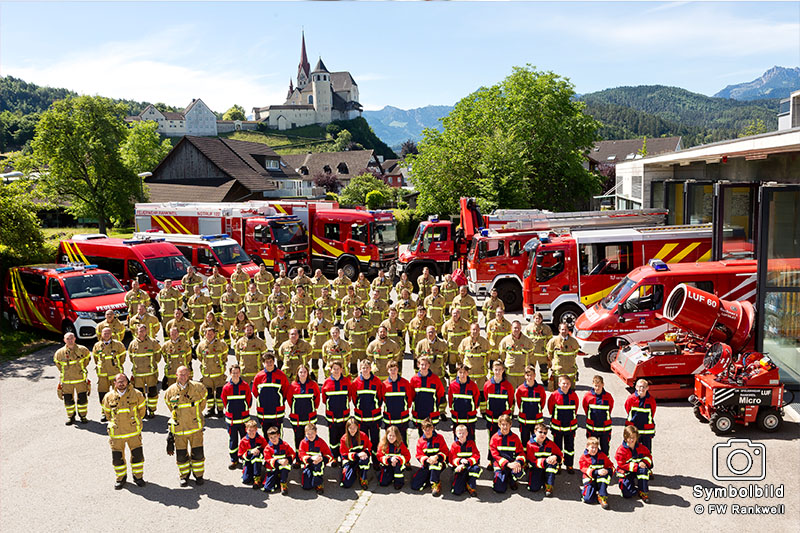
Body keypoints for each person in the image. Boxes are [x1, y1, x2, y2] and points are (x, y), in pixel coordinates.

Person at [164, 365, 208, 486]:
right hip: (179, 430)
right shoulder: (170, 391)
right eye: (180, 374)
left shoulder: (198, 388)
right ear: (176, 375)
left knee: (198, 454)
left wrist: (195, 414)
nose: (183, 377)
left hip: (195, 428)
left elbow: (202, 404)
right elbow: (170, 408)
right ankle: (184, 476)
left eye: (185, 374)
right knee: (181, 456)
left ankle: (199, 476)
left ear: (189, 375)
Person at [102, 373, 147, 489]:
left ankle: (138, 477)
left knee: (137, 456)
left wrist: (134, 422)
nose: (121, 384)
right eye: (118, 381)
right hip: (116, 434)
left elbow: (142, 411)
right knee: (118, 458)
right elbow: (107, 414)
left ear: (127, 382)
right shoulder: (108, 397)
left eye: (123, 381)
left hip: (133, 432)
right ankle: (121, 478)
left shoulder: (137, 394)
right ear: (115, 383)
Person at [349, 358, 385, 464]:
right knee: (363, 441)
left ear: (370, 369)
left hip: (375, 418)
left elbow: (380, 397)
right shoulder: (356, 383)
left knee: (375, 440)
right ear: (360, 369)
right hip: (361, 418)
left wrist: (375, 407)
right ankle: (364, 460)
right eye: (363, 368)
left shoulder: (377, 381)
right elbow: (354, 399)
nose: (365, 370)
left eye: (367, 368)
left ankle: (375, 460)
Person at [221, 364, 253, 468]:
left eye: (237, 372)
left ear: (240, 373)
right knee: (233, 440)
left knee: (245, 440)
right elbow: (224, 401)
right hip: (232, 420)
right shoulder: (226, 387)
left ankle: (245, 458)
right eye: (233, 373)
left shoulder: (245, 385)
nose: (235, 374)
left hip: (244, 419)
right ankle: (234, 460)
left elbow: (249, 400)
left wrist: (244, 409)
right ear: (230, 373)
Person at [92, 327, 127, 421]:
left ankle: (118, 411)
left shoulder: (118, 344)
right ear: (101, 334)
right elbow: (95, 358)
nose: (106, 335)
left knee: (117, 394)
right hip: (103, 375)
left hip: (115, 374)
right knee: (103, 394)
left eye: (108, 333)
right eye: (104, 333)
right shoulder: (97, 346)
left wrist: (117, 366)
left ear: (111, 334)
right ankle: (104, 412)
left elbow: (123, 356)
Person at [128, 324, 162, 419]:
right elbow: (131, 358)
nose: (141, 332)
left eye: (143, 330)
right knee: (139, 395)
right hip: (138, 374)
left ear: (146, 331)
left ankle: (152, 410)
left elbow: (158, 356)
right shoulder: (133, 344)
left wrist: (153, 365)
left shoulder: (153, 342)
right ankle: (142, 412)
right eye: (140, 331)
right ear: (137, 332)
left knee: (152, 393)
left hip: (150, 373)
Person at [547, 374, 579, 473]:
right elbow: (550, 408)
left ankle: (569, 465)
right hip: (557, 428)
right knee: (557, 448)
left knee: (570, 448)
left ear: (570, 385)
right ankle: (558, 465)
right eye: (563, 383)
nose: (565, 385)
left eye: (567, 383)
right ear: (559, 383)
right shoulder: (554, 395)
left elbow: (576, 408)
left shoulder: (574, 395)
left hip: (570, 428)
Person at [251, 352, 290, 433]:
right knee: (265, 436)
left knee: (278, 437)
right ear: (263, 363)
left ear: (274, 361)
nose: (269, 364)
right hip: (263, 412)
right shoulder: (259, 376)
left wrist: (279, 401)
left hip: (277, 413)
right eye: (267, 362)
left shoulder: (281, 375)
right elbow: (255, 392)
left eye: (271, 361)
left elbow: (286, 391)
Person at [321, 359, 352, 460]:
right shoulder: (326, 383)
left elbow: (350, 397)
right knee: (333, 438)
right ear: (330, 370)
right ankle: (334, 457)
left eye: (338, 369)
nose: (336, 371)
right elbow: (324, 400)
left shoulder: (346, 381)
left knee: (344, 437)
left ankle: (344, 457)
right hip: (332, 417)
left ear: (342, 369)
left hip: (344, 416)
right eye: (334, 369)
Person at [411, 418, 449, 496]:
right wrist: (427, 460)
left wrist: (437, 457)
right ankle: (430, 477)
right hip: (427, 463)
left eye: (429, 429)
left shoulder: (439, 438)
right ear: (422, 429)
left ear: (433, 428)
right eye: (425, 430)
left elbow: (445, 451)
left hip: (439, 462)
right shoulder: (421, 441)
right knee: (415, 486)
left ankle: (436, 484)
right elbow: (419, 455)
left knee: (435, 466)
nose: (427, 432)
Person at [615, 425, 653, 503]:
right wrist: (637, 465)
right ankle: (632, 486)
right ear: (625, 437)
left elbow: (649, 456)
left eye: (634, 437)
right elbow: (622, 464)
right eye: (630, 437)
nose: (632, 440)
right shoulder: (621, 451)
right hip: (627, 472)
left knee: (643, 470)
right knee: (627, 494)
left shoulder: (642, 448)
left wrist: (644, 462)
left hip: (638, 471)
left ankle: (643, 491)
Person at [488, 414, 525, 493]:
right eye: (503, 425)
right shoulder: (494, 438)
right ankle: (503, 477)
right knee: (499, 489)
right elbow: (495, 455)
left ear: (510, 424)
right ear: (499, 425)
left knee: (519, 472)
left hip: (513, 464)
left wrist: (518, 462)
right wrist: (507, 464)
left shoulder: (515, 438)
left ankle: (512, 478)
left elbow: (521, 452)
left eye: (507, 425)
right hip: (500, 465)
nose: (505, 427)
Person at [409, 356, 446, 435]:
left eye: (426, 364)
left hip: (431, 413)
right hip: (419, 412)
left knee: (432, 436)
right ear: (418, 365)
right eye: (422, 364)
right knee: (421, 437)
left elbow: (441, 395)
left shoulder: (435, 379)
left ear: (429, 365)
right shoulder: (414, 379)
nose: (424, 366)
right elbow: (411, 396)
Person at [288, 365, 321, 450]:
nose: (303, 374)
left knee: (311, 438)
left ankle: (310, 458)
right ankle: (299, 459)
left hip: (310, 418)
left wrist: (314, 409)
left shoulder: (313, 384)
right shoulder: (293, 385)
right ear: (297, 374)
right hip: (297, 419)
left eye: (305, 372)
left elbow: (317, 399)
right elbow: (289, 400)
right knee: (298, 439)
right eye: (301, 372)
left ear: (308, 373)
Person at [196, 327, 228, 417]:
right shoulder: (201, 345)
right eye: (207, 333)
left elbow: (225, 355)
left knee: (219, 393)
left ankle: (220, 410)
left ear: (215, 334)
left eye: (211, 333)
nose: (209, 335)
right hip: (207, 374)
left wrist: (221, 364)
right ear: (205, 334)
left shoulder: (221, 344)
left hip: (219, 374)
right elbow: (199, 357)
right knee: (208, 393)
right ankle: (211, 409)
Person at [460, 323, 491, 412]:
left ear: (479, 331)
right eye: (473, 329)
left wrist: (483, 364)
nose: (475, 332)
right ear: (470, 330)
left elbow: (488, 356)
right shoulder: (464, 342)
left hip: (481, 372)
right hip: (469, 373)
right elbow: (461, 355)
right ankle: (469, 409)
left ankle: (483, 410)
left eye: (477, 330)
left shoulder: (484, 342)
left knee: (482, 392)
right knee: (469, 393)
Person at [525, 423, 562, 496]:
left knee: (552, 464)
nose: (542, 434)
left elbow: (560, 455)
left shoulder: (550, 443)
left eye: (545, 433)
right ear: (535, 431)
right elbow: (531, 460)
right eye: (540, 432)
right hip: (536, 467)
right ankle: (540, 478)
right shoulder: (530, 444)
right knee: (534, 488)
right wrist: (544, 461)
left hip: (548, 466)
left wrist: (555, 457)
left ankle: (549, 486)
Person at [297, 422, 334, 494]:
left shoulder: (321, 442)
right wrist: (311, 459)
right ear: (305, 433)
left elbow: (329, 455)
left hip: (319, 464)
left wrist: (322, 459)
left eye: (312, 433)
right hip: (308, 464)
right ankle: (310, 478)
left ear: (316, 432)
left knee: (318, 468)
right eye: (308, 434)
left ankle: (319, 484)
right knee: (306, 487)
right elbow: (301, 455)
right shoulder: (303, 442)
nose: (310, 436)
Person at [382, 360, 413, 444]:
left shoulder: (405, 383)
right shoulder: (384, 385)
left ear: (398, 370)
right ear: (387, 370)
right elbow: (383, 399)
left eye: (395, 369)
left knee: (402, 442)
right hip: (389, 418)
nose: (393, 371)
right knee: (389, 441)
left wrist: (405, 408)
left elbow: (409, 398)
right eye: (391, 369)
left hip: (402, 418)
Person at [582, 375, 615, 455]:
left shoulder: (608, 396)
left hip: (605, 429)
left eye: (599, 386)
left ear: (603, 385)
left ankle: (605, 465)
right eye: (595, 386)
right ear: (592, 384)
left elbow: (610, 408)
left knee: (605, 449)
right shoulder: (588, 396)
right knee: (592, 448)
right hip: (592, 428)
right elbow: (585, 408)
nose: (597, 388)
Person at [483, 360, 515, 440]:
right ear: (492, 370)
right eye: (496, 369)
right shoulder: (488, 385)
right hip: (492, 418)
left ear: (503, 370)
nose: (497, 372)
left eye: (500, 369)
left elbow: (510, 401)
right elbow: (486, 398)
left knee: (504, 439)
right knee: (492, 438)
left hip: (504, 418)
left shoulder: (508, 386)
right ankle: (490, 452)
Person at [579, 436, 614, 509]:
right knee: (587, 499)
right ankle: (591, 492)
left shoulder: (602, 456)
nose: (594, 450)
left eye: (596, 448)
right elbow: (583, 468)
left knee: (604, 477)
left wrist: (607, 471)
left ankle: (602, 496)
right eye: (592, 447)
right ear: (587, 447)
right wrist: (597, 472)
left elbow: (611, 466)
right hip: (590, 481)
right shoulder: (584, 457)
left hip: (600, 481)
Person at [448, 364, 480, 441]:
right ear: (457, 373)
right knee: (458, 439)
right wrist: (453, 410)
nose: (462, 375)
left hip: (470, 418)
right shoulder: (453, 385)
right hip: (457, 417)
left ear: (467, 373)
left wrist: (473, 410)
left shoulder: (473, 385)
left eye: (464, 372)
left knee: (470, 439)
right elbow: (450, 399)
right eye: (460, 372)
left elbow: (477, 399)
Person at [516, 365, 547, 445]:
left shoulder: (540, 389)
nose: (529, 377)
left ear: (535, 375)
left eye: (531, 375)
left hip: (536, 421)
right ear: (524, 376)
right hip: (524, 421)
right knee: (524, 442)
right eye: (527, 375)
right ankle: (525, 457)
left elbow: (542, 403)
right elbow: (519, 403)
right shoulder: (520, 389)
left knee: (537, 442)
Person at [499, 320, 534, 389]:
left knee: (523, 392)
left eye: (518, 328)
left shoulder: (528, 341)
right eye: (515, 328)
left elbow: (531, 356)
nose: (516, 330)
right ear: (511, 328)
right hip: (510, 373)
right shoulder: (505, 341)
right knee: (510, 393)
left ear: (521, 328)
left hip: (523, 373)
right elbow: (502, 355)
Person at [449, 424, 482, 497]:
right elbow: (451, 458)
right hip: (459, 467)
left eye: (463, 433)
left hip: (469, 466)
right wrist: (459, 461)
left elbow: (476, 455)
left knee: (476, 469)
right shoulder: (454, 445)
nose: (461, 435)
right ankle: (461, 481)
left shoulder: (471, 443)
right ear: (456, 434)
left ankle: (471, 486)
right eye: (459, 433)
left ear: (467, 433)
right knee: (457, 491)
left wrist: (468, 462)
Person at [624, 379, 656, 451]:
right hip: (633, 430)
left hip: (646, 431)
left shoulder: (651, 400)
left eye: (644, 387)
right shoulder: (631, 399)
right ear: (635, 387)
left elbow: (652, 413)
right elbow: (627, 409)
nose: (641, 389)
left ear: (647, 388)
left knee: (646, 452)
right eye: (639, 386)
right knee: (632, 451)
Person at [546, 322, 580, 391]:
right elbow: (549, 354)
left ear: (568, 330)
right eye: (562, 329)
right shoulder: (553, 341)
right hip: (558, 371)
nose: (564, 331)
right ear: (559, 330)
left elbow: (575, 353)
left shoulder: (573, 341)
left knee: (571, 391)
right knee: (557, 391)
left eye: (565, 329)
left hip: (570, 371)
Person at [339, 417, 372, 489]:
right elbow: (344, 455)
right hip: (350, 461)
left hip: (361, 459)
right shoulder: (344, 439)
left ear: (357, 427)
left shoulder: (363, 435)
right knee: (346, 483)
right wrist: (357, 455)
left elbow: (369, 447)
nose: (352, 430)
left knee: (365, 460)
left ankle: (363, 478)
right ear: (347, 428)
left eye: (354, 427)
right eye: (350, 428)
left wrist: (365, 453)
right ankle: (354, 471)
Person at [262, 425, 295, 494]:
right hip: (273, 468)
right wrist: (278, 461)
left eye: (275, 437)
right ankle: (277, 477)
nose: (273, 439)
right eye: (271, 437)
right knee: (267, 488)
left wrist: (288, 460)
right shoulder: (267, 448)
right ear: (268, 437)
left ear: (279, 435)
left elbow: (292, 454)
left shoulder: (285, 445)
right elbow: (267, 459)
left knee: (285, 467)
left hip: (283, 466)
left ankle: (283, 483)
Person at [377, 425, 411, 489]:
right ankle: (390, 476)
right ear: (386, 435)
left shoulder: (400, 444)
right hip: (387, 465)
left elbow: (407, 456)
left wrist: (399, 460)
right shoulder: (382, 444)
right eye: (390, 435)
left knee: (397, 470)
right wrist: (389, 459)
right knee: (383, 483)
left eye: (394, 436)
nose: (391, 437)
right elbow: (379, 456)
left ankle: (399, 482)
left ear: (397, 437)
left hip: (397, 465)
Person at [238, 419, 268, 488]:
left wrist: (259, 451)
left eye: (253, 430)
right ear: (246, 430)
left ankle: (257, 478)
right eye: (249, 430)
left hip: (257, 460)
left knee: (256, 457)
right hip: (248, 461)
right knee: (246, 480)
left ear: (256, 429)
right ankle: (250, 471)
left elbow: (266, 449)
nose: (251, 432)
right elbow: (240, 455)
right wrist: (249, 452)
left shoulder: (260, 439)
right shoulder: (244, 441)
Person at [524, 312, 553, 383]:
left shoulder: (546, 328)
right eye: (536, 318)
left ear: (541, 319)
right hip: (532, 354)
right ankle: (531, 381)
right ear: (533, 319)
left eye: (539, 318)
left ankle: (545, 380)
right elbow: (524, 339)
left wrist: (549, 352)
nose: (537, 320)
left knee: (544, 369)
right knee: (530, 369)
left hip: (542, 354)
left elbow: (550, 341)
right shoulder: (529, 328)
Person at [441, 308, 470, 379]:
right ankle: (453, 385)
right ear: (451, 314)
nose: (455, 315)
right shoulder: (447, 325)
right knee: (452, 370)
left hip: (462, 352)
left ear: (460, 314)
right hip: (452, 352)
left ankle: (462, 383)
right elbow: (444, 335)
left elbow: (469, 336)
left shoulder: (466, 324)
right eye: (454, 313)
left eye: (457, 313)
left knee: (462, 369)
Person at [344, 306, 371, 376]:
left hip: (363, 348)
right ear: (353, 312)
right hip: (352, 348)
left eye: (358, 311)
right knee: (353, 367)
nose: (356, 313)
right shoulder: (348, 322)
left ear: (361, 312)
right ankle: (354, 381)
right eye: (355, 311)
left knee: (364, 366)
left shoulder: (366, 322)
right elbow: (346, 334)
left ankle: (364, 380)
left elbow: (371, 334)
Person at [308, 307, 333, 378]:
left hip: (324, 346)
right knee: (314, 364)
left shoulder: (328, 323)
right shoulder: (312, 324)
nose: (318, 315)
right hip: (315, 346)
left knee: (325, 364)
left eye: (320, 313)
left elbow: (331, 335)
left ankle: (327, 378)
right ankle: (315, 379)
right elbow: (310, 334)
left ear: (323, 314)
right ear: (315, 314)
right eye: (317, 313)